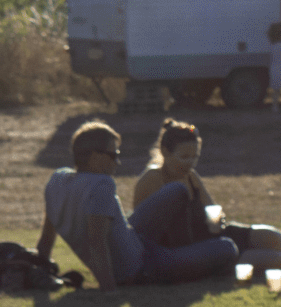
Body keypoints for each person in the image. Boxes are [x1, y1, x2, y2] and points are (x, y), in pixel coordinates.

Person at [36, 120, 237, 290]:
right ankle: (182, 255)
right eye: (113, 155)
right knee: (227, 248)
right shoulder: (101, 184)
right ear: (95, 158)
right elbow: (97, 242)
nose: (118, 163)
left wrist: (41, 271)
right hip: (142, 266)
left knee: (178, 190)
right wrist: (110, 290)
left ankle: (183, 249)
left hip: (133, 237)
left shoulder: (57, 179)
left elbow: (46, 239)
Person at [129, 118, 281, 281]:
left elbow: (212, 210)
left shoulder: (191, 176)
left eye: (195, 157)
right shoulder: (153, 179)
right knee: (277, 260)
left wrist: (218, 220)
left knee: (278, 239)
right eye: (184, 157)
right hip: (191, 250)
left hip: (209, 236)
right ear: (165, 152)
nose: (190, 163)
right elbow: (149, 231)